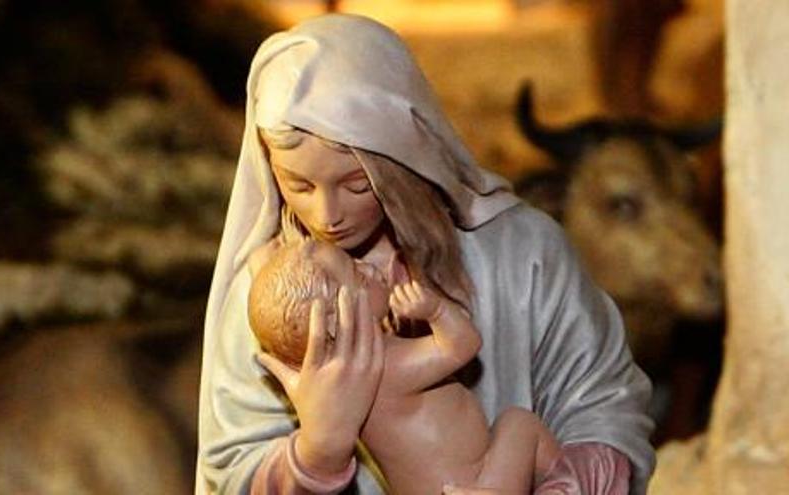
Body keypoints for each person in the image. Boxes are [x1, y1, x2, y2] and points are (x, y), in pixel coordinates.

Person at [196, 13, 654, 495]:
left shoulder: (523, 255)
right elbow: (232, 466)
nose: (327, 214)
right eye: (299, 184)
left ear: (403, 156)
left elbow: (602, 405)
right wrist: (318, 453)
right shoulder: (269, 292)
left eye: (357, 183)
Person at [248, 238, 563, 494]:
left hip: (467, 476)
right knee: (519, 423)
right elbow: (463, 345)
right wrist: (436, 311)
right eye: (357, 274)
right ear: (332, 321)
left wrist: (265, 268)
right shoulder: (384, 368)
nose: (368, 269)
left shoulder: (347, 381)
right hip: (473, 485)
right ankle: (567, 482)